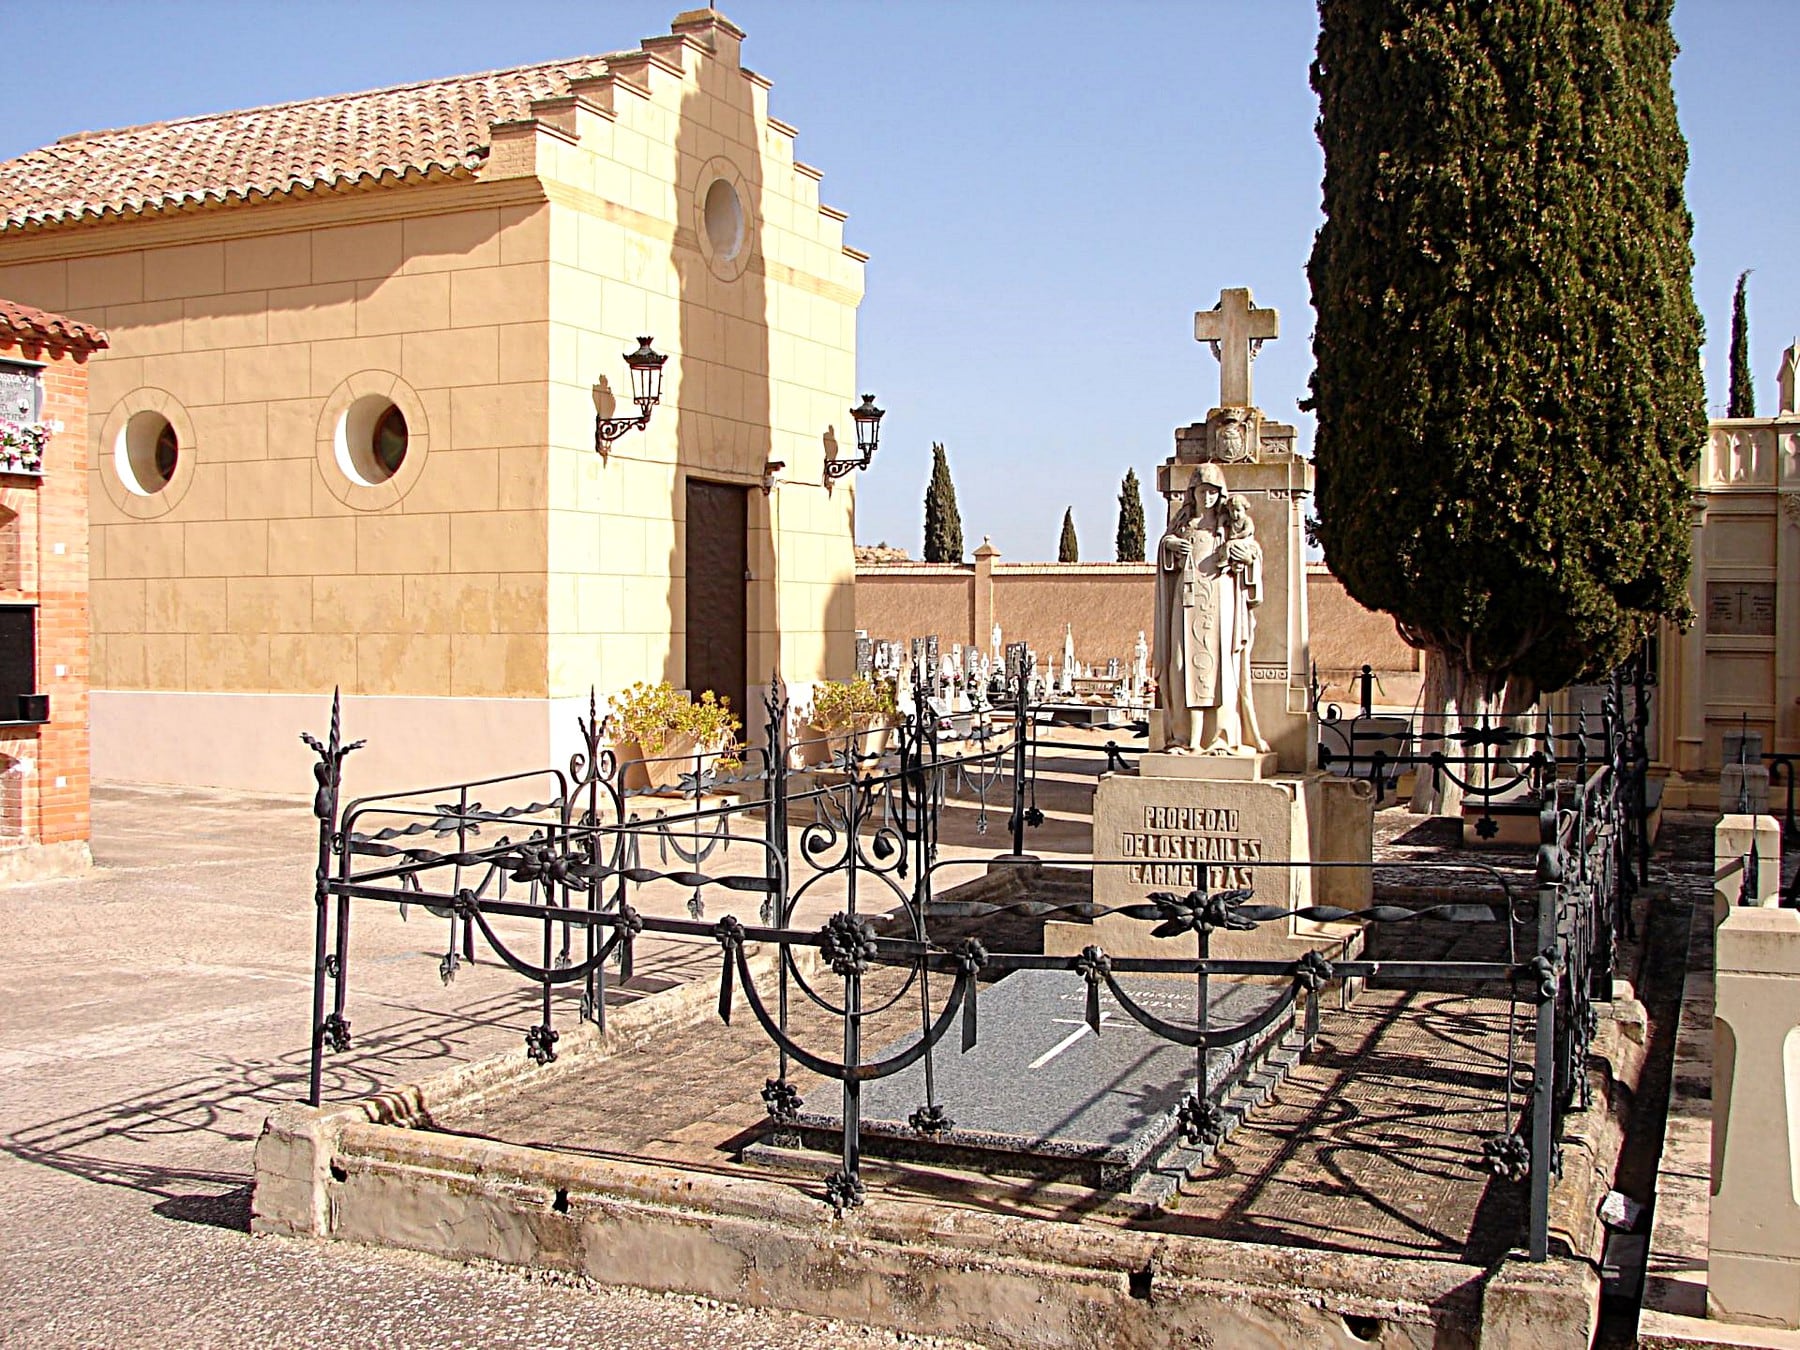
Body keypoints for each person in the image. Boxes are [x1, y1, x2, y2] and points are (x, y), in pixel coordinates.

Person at [1152, 465, 1267, 754]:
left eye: (1213, 492)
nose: (1207, 497)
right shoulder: (1182, 524)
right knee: (1181, 665)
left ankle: (1221, 737)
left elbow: (1252, 550)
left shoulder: (1229, 526)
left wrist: (1244, 554)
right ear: (1193, 493)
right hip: (1187, 599)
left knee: (1221, 669)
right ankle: (1183, 737)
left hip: (1221, 597)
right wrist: (1171, 547)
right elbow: (1165, 548)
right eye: (1202, 491)